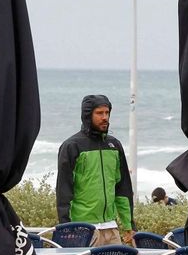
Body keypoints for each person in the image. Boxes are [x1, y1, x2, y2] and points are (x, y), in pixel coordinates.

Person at [56, 94, 135, 246]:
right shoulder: (72, 146)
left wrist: (128, 225)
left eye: (107, 113)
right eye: (99, 113)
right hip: (83, 230)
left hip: (111, 229)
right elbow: (64, 191)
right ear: (87, 115)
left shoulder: (114, 145)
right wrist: (66, 228)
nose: (105, 117)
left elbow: (122, 189)